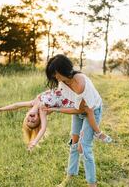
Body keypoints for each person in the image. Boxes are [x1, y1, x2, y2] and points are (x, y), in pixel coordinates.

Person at [45, 54, 111, 187]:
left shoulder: (80, 84)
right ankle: (70, 175)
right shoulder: (62, 83)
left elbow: (81, 110)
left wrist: (56, 110)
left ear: (63, 69)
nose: (55, 77)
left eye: (56, 73)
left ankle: (92, 183)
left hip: (92, 111)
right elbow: (65, 101)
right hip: (79, 110)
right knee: (74, 142)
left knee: (85, 146)